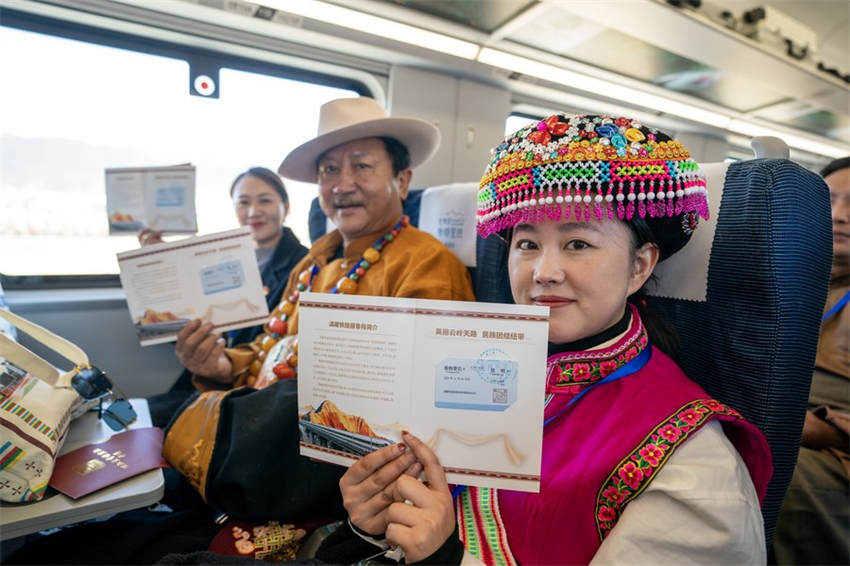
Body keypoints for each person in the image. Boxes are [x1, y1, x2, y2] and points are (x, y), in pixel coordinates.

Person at [316, 114, 773, 564]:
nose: (543, 273)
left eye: (578, 244)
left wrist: (445, 558)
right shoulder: (463, 371)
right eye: (527, 244)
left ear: (640, 266)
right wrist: (373, 524)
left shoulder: (692, 460)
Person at [161, 96, 475, 541]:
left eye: (362, 166)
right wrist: (222, 365)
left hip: (326, 461)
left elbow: (411, 401)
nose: (341, 184)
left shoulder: (427, 265)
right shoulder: (317, 257)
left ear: (402, 181)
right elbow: (271, 342)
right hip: (265, 434)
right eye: (329, 170)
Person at [145, 167, 308, 427]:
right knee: (139, 415)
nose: (253, 211)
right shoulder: (222, 263)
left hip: (246, 386)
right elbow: (185, 325)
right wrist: (161, 264)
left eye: (265, 200)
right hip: (205, 374)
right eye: (244, 202)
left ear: (286, 207)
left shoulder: (304, 267)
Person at [773, 156, 849, 565]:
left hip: (830, 442)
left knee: (790, 482)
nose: (838, 217)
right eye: (829, 201)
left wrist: (822, 427)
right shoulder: (775, 272)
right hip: (765, 414)